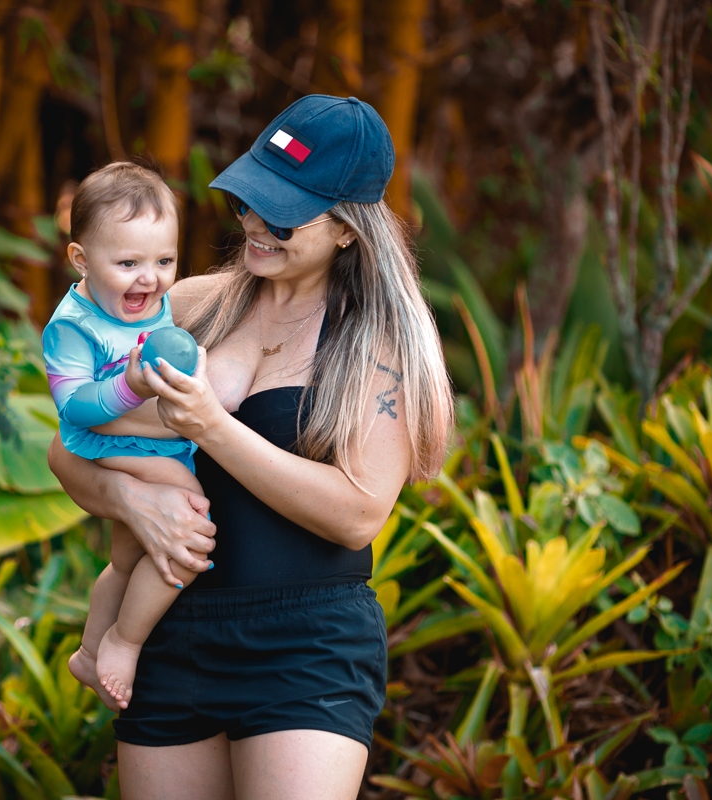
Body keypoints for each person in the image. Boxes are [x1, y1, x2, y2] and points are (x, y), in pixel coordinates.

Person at [47, 95, 453, 800]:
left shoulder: (375, 346)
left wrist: (211, 427)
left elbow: (357, 514)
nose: (257, 227)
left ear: (349, 231)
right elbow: (66, 445)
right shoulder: (193, 305)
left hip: (306, 647)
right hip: (173, 630)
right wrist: (132, 503)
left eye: (285, 216)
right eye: (248, 202)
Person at [41, 162, 209, 711]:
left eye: (165, 261)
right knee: (191, 527)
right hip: (114, 446)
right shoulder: (74, 326)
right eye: (129, 263)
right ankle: (124, 640)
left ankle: (90, 650)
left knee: (127, 561)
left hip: (154, 442)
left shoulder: (158, 303)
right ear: (81, 260)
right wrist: (133, 387)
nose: (151, 278)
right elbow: (74, 407)